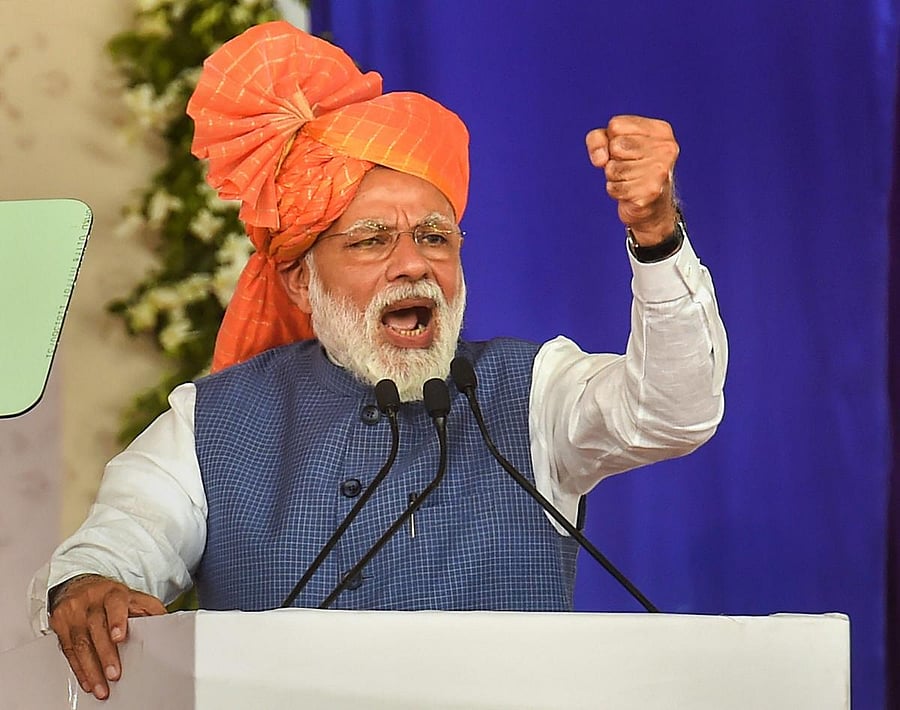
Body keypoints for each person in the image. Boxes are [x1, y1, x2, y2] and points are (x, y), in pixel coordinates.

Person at [29, 21, 727, 701]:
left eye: (435, 237)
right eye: (370, 242)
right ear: (301, 280)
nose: (412, 265)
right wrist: (88, 585)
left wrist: (658, 238)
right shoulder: (214, 421)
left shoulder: (533, 391)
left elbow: (671, 413)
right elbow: (122, 540)